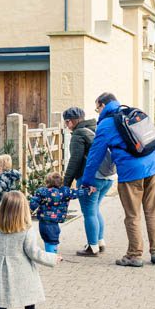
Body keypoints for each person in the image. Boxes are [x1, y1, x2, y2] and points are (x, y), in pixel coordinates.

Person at [81, 92, 155, 268]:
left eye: (97, 107)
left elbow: (95, 157)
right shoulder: (136, 113)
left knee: (132, 215)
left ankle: (134, 255)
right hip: (153, 167)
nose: (97, 111)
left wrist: (87, 181)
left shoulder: (105, 125)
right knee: (152, 211)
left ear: (103, 105)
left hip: (130, 173)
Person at [0, 191, 61, 309]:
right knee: (29, 296)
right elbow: (34, 253)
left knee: (0, 302)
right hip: (23, 269)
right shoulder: (26, 229)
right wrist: (53, 258)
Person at [62, 106, 116, 256]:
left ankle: (92, 247)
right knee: (95, 209)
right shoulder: (97, 128)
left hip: (91, 179)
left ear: (72, 121)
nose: (66, 125)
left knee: (89, 213)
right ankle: (99, 242)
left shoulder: (79, 134)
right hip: (108, 177)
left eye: (67, 122)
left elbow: (75, 160)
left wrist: (65, 183)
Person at [28, 171, 79, 252]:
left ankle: (49, 254)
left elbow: (33, 202)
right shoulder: (65, 192)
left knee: (46, 239)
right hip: (54, 223)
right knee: (52, 240)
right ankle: (52, 256)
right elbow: (77, 193)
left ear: (47, 182)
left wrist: (28, 211)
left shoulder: (42, 192)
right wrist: (88, 190)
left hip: (42, 222)